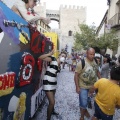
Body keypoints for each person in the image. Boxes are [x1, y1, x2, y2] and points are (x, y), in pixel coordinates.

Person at [74, 48, 101, 120]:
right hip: (83, 86)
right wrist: (77, 87)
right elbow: (76, 75)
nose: (92, 56)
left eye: (93, 54)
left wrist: (101, 81)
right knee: (83, 103)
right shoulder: (81, 63)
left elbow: (97, 71)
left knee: (89, 100)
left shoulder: (95, 61)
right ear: (86, 53)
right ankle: (82, 117)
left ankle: (85, 110)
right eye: (90, 54)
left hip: (93, 86)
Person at [39, 50, 59, 120]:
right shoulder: (52, 58)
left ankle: (52, 111)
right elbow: (40, 57)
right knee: (52, 102)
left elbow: (55, 72)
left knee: (53, 99)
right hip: (48, 81)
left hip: (53, 81)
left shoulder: (56, 61)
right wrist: (49, 53)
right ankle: (48, 118)